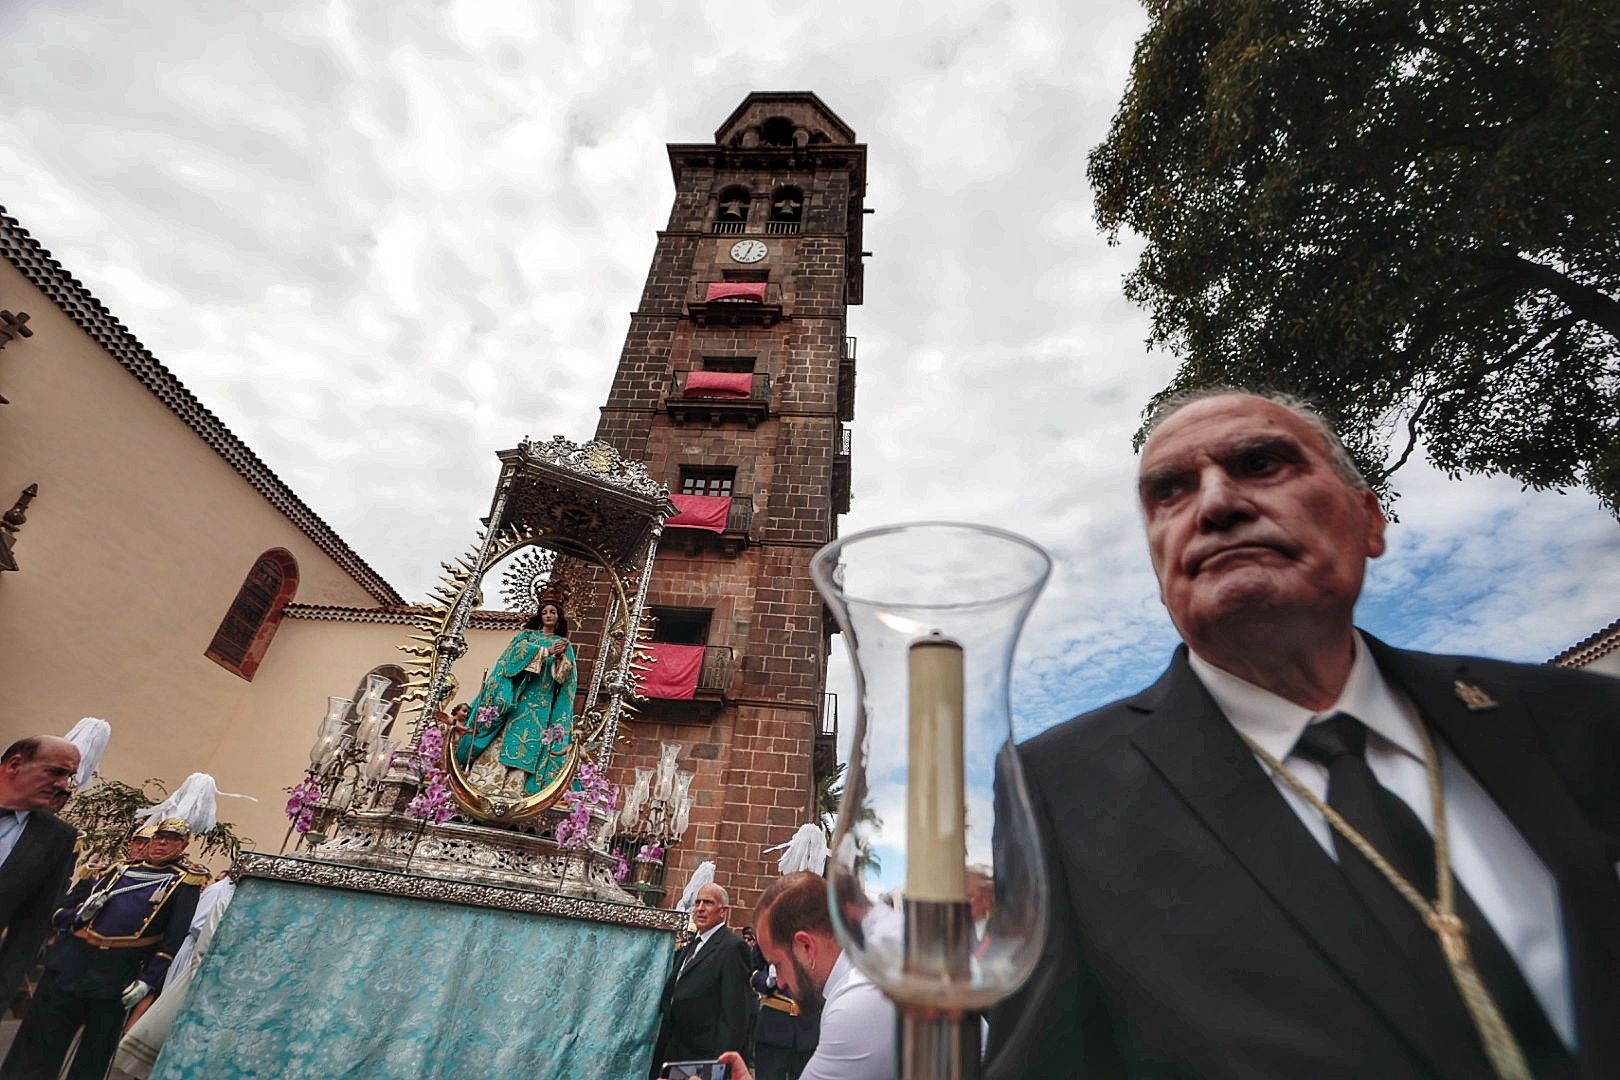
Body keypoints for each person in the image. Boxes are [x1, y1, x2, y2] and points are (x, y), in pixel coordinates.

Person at [985, 389, 1620, 1078]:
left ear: (1368, 518)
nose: (1216, 504)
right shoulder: (1062, 790)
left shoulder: (1569, 717)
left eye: (1261, 464)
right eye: (1170, 491)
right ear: (1159, 571)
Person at [2, 817, 205, 1079]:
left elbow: (172, 939)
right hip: (75, 963)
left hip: (118, 972)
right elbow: (63, 911)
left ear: (184, 845)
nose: (161, 843)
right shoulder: (117, 870)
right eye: (158, 837)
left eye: (172, 839)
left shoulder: (184, 882)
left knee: (93, 1056)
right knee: (44, 1043)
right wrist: (81, 915)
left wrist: (148, 979)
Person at [719, 871, 895, 1080]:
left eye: (778, 964)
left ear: (806, 946)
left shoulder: (851, 1006)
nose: (779, 982)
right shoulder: (861, 977)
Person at [456, 587, 578, 798]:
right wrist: (545, 652)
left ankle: (516, 789)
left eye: (553, 612)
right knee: (506, 736)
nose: (548, 616)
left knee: (532, 741)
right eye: (544, 612)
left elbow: (564, 680)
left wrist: (559, 659)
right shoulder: (527, 636)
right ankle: (487, 782)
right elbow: (512, 660)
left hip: (542, 701)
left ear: (559, 617)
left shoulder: (564, 645)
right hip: (519, 696)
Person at [0, 736, 80, 1007]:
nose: (62, 784)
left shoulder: (56, 837)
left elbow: (31, 926)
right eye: (55, 772)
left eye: (69, 776)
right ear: (15, 765)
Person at [650, 882, 754, 1078]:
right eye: (697, 902)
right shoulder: (693, 944)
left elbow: (735, 1014)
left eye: (708, 903)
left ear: (723, 911)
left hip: (703, 1056)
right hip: (675, 1049)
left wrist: (718, 1066)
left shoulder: (732, 948)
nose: (700, 908)